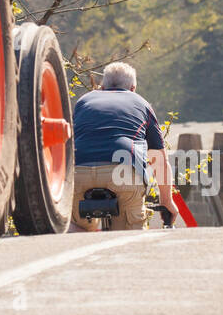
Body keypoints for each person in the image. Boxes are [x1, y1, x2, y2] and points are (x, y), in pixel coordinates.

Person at [69, 61, 178, 231]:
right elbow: (159, 160)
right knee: (129, 235)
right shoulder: (142, 104)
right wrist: (166, 201)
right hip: (123, 173)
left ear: (102, 86)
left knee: (76, 228)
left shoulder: (83, 102)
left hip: (78, 170)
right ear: (133, 88)